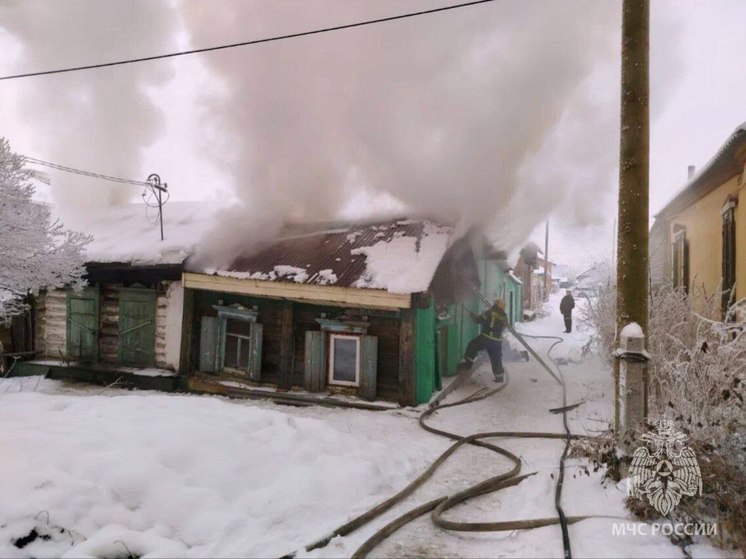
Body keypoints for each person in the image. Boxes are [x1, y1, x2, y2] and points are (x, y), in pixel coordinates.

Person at [459, 298, 508, 383]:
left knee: (472, 345)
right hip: (497, 341)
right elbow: (504, 327)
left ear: (496, 304)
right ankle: (499, 377)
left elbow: (478, 320)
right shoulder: (504, 316)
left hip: (487, 337)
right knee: (496, 359)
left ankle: (468, 364)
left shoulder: (491, 312)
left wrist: (472, 315)